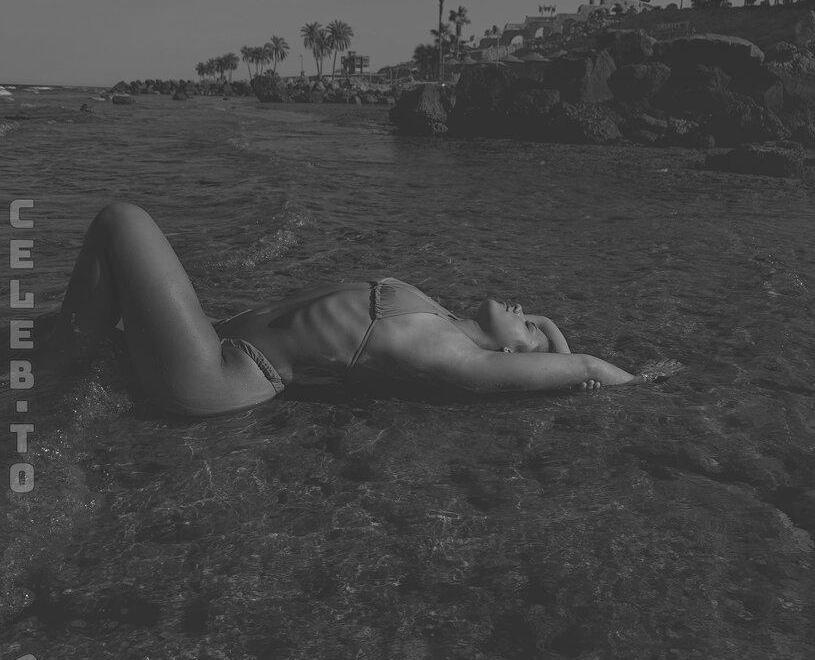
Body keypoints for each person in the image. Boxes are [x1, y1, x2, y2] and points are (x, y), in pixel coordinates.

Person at [38, 202, 674, 418]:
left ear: (512, 356)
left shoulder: (456, 356)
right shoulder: (440, 321)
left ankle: (48, 382)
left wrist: (645, 386)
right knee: (35, 329)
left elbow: (582, 366)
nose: (526, 310)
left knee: (122, 223)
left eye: (529, 325)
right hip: (214, 344)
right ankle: (52, 367)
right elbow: (561, 353)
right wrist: (549, 335)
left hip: (220, 374)